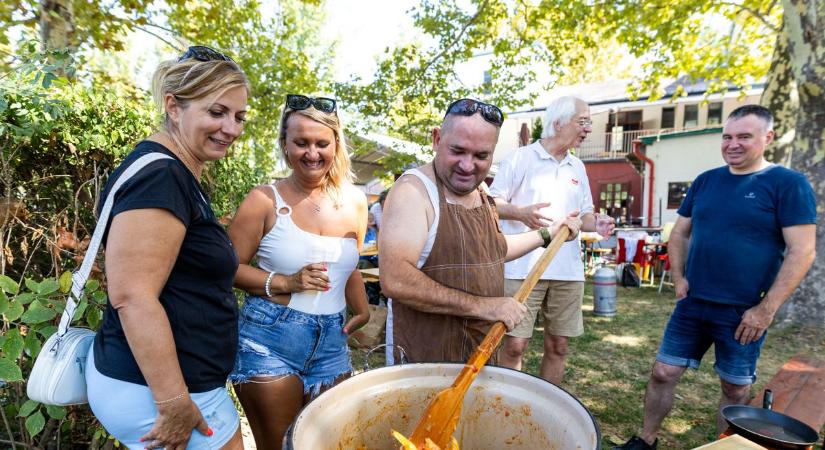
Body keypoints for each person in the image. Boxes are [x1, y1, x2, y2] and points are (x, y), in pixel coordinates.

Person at [614, 105, 816, 450]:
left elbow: (802, 251)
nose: (732, 144)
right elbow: (680, 233)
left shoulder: (788, 184)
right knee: (663, 372)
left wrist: (766, 310)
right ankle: (645, 441)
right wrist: (678, 278)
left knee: (734, 387)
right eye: (727, 136)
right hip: (693, 304)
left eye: (743, 137)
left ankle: (723, 447)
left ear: (767, 138)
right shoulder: (706, 181)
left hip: (744, 312)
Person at [85, 45, 248, 450]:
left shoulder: (174, 170)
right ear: (173, 107)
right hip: (161, 391)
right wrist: (174, 401)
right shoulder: (162, 176)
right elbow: (133, 297)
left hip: (176, 385)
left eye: (239, 116)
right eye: (217, 112)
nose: (231, 128)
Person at [379, 98, 582, 364]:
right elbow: (396, 280)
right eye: (458, 151)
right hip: (424, 363)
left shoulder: (481, 191)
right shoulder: (413, 192)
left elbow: (495, 249)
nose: (467, 165)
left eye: (481, 155)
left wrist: (548, 234)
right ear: (437, 139)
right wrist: (484, 307)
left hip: (479, 354)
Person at [227, 94, 370, 448]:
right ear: (285, 145)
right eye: (301, 143)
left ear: (336, 144)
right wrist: (286, 282)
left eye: (322, 143)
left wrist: (363, 308)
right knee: (280, 444)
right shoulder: (263, 200)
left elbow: (348, 265)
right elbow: (226, 270)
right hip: (269, 339)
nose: (312, 153)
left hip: (332, 344)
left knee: (327, 443)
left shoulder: (355, 201)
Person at [489, 96, 615, 385]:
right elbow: (491, 204)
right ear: (557, 123)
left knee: (559, 346)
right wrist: (520, 213)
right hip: (522, 269)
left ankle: (546, 409)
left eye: (589, 123)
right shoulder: (521, 158)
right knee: (514, 345)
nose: (587, 129)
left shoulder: (577, 167)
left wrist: (598, 222)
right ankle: (503, 404)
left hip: (567, 272)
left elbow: (584, 216)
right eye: (582, 121)